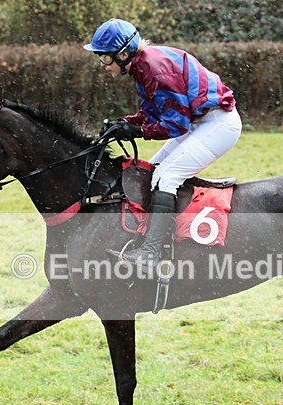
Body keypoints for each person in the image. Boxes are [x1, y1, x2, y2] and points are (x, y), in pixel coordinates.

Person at [84, 18, 242, 267]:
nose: (103, 65)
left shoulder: (153, 67)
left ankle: (152, 252)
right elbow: (152, 113)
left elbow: (174, 124)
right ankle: (151, 240)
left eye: (105, 57)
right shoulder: (142, 65)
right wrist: (123, 123)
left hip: (218, 125)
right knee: (152, 172)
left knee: (167, 176)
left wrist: (135, 131)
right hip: (199, 122)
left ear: (123, 54)